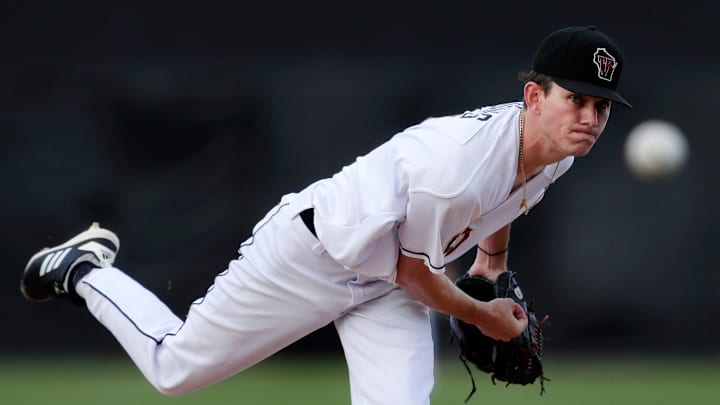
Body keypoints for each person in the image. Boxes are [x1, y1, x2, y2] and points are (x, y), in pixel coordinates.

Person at [20, 26, 631, 405]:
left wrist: (491, 264)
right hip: (313, 256)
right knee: (174, 369)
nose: (588, 117)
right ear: (535, 97)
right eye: (574, 98)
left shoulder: (556, 154)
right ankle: (81, 269)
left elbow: (505, 201)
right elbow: (419, 276)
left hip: (391, 279)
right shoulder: (459, 166)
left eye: (600, 105)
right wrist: (484, 316)